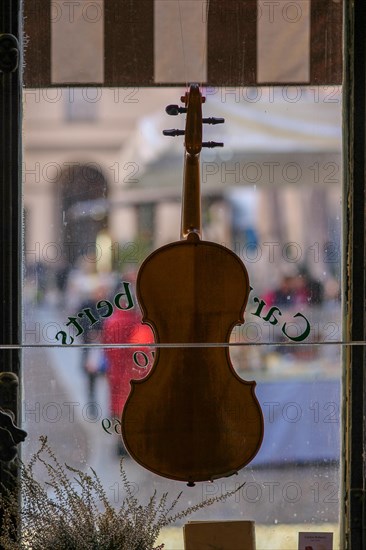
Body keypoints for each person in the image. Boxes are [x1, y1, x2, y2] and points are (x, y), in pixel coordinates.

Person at [102, 305, 154, 455]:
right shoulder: (138, 324)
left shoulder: (111, 322)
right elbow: (142, 351)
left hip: (114, 372)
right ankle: (133, 442)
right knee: (132, 406)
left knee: (119, 407)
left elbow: (106, 347)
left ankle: (120, 442)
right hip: (131, 373)